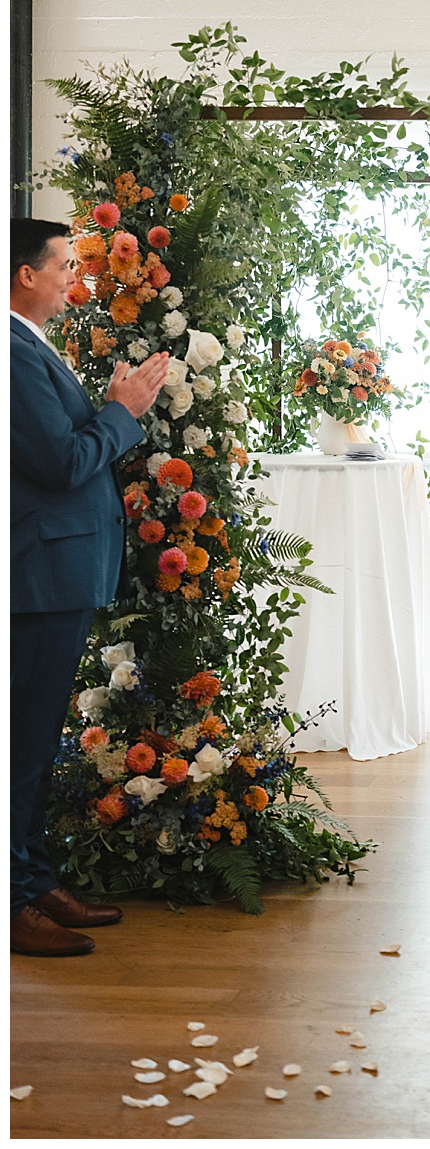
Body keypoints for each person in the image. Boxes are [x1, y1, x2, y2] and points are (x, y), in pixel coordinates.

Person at [10, 219, 170, 956]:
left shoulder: (29, 344)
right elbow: (62, 463)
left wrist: (106, 402)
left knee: (36, 740)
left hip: (58, 571)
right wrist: (123, 410)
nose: (73, 279)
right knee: (23, 744)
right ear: (22, 276)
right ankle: (15, 901)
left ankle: (35, 882)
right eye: (63, 266)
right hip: (38, 576)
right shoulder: (10, 352)